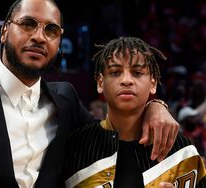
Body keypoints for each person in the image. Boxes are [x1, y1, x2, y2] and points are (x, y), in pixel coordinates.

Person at [0, 0, 179, 187]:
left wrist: (156, 105)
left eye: (51, 30)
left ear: (59, 42)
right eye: (28, 24)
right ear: (4, 31)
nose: (39, 37)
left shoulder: (65, 100)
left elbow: (110, 140)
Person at [62, 37, 206, 187]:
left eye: (137, 72)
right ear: (100, 83)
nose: (126, 80)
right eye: (115, 72)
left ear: (153, 83)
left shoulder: (181, 150)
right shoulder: (74, 146)